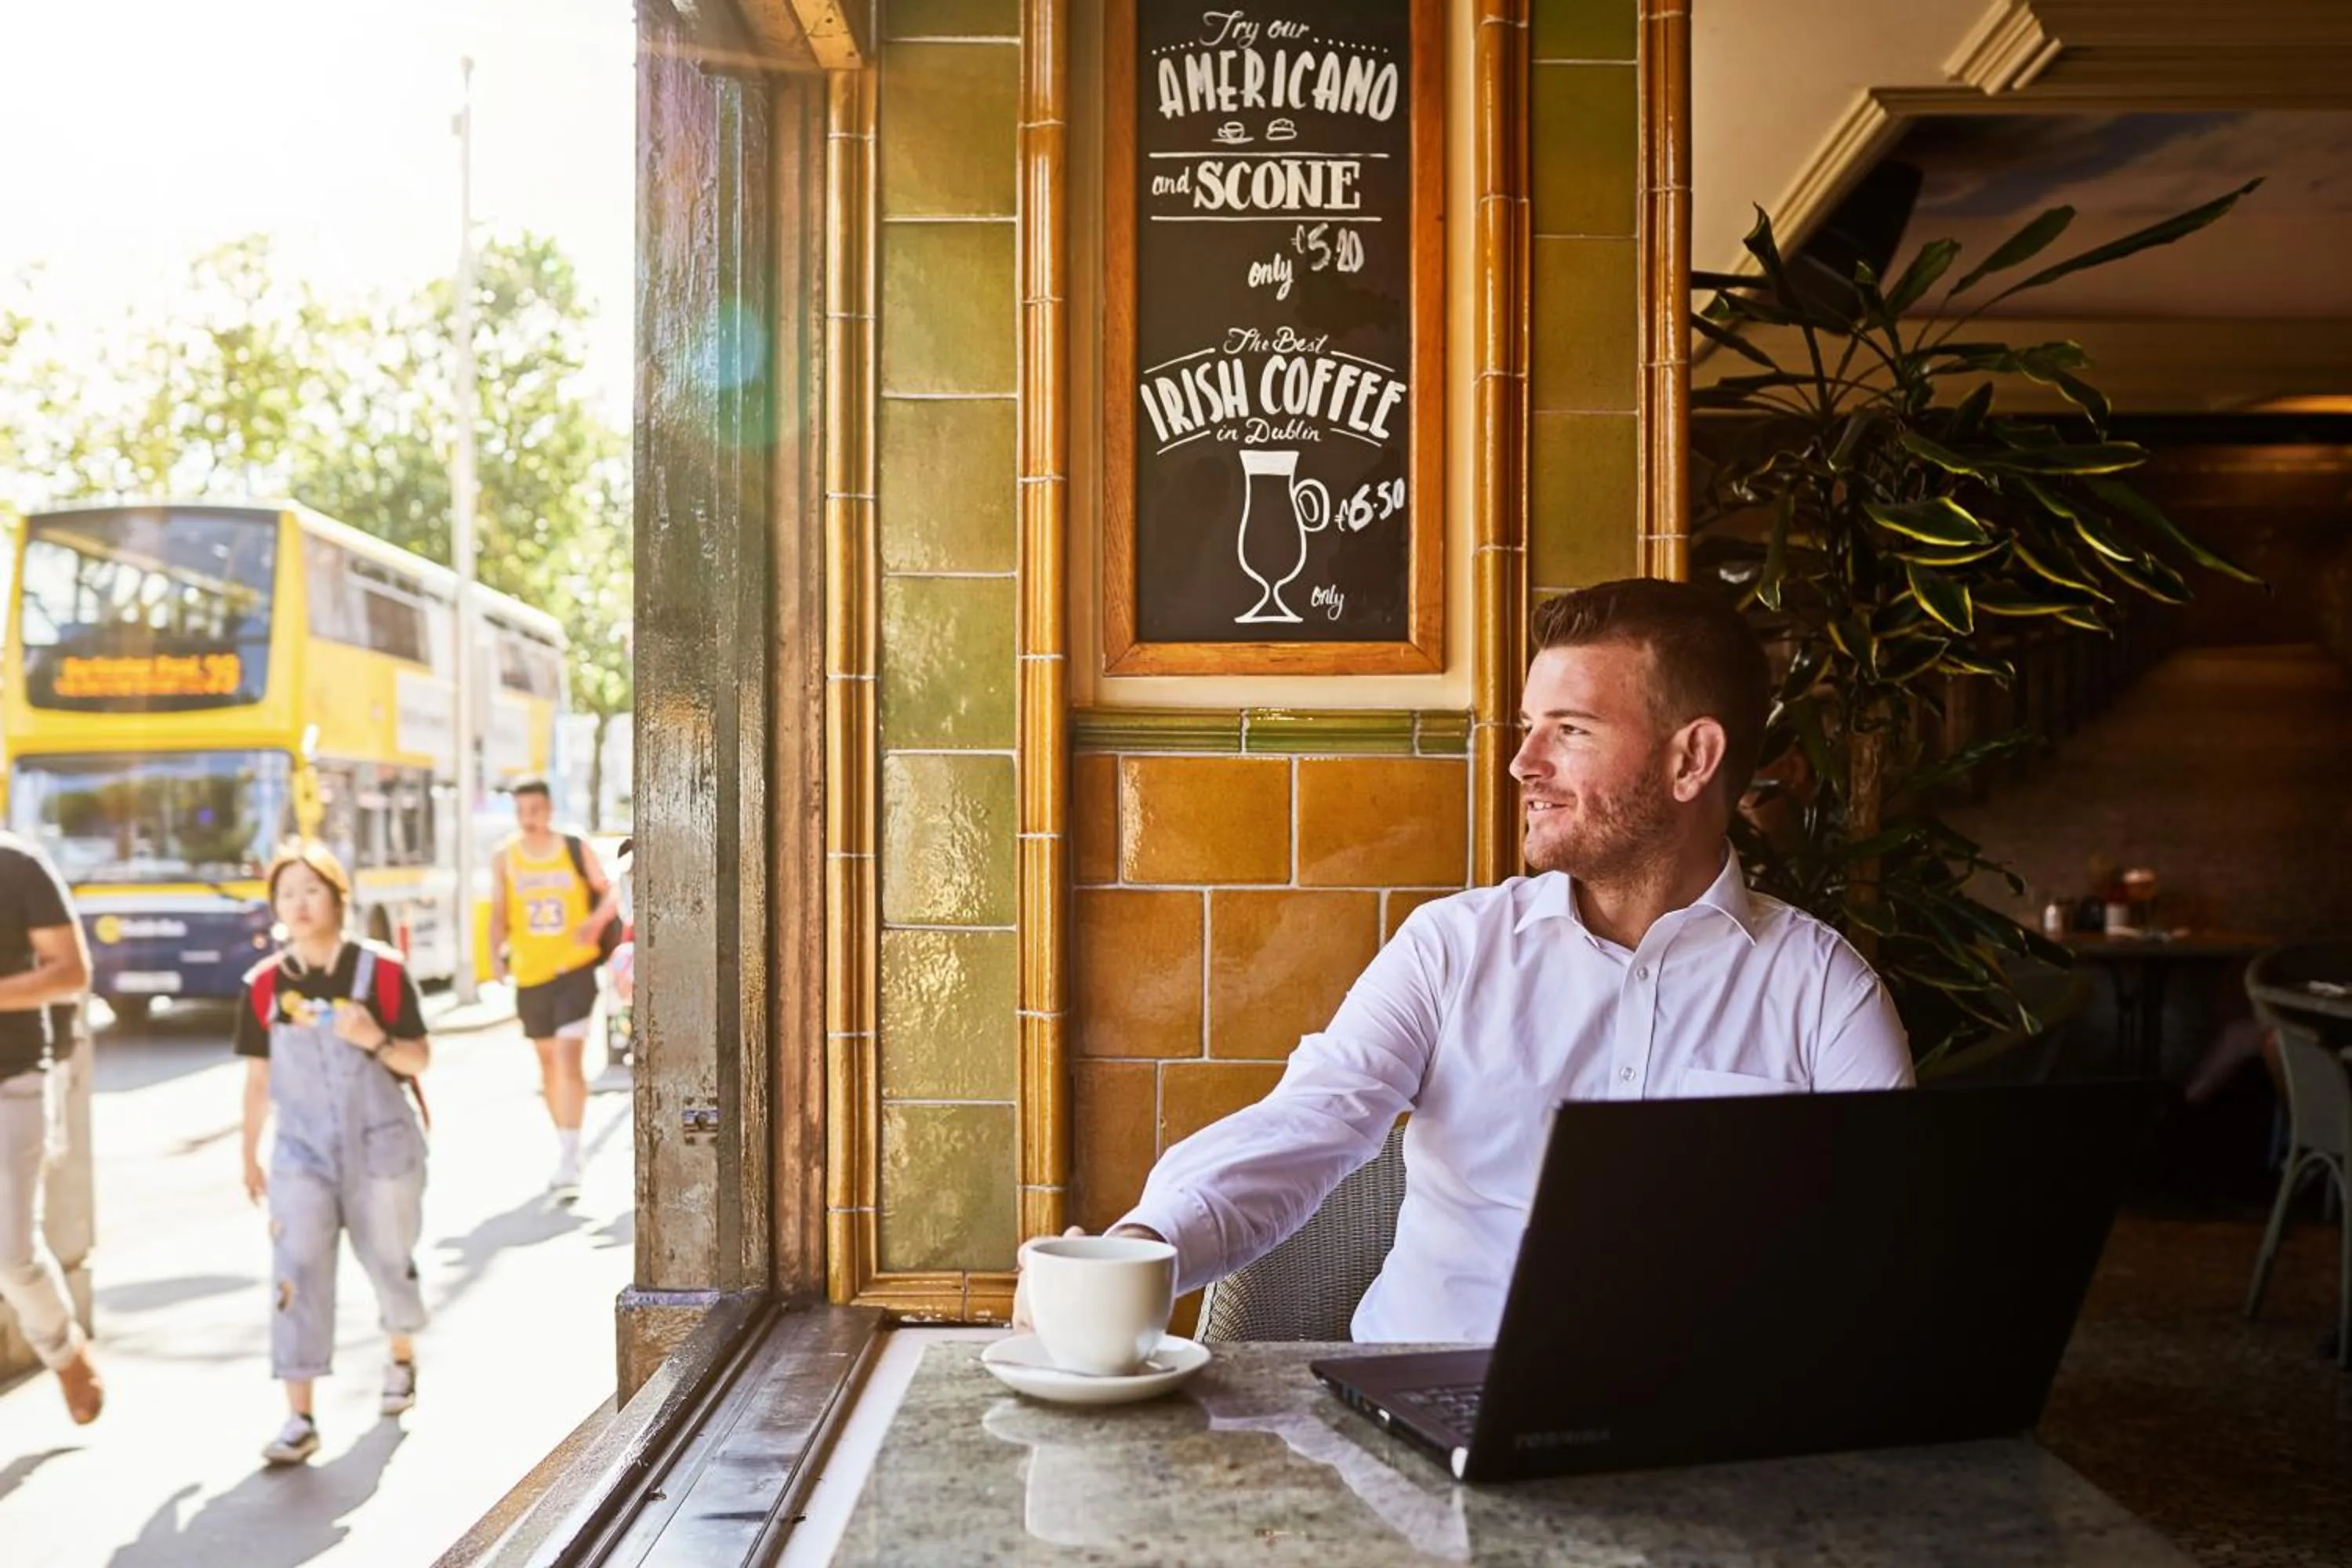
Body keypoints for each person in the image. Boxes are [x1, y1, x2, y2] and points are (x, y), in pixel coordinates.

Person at [1044, 579, 1915, 1343]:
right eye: (1532, 726)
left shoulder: (1823, 993)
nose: (1522, 761)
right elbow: (1311, 1122)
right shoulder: (1451, 947)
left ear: (1692, 757)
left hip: (1690, 1446)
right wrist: (1141, 1248)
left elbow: (1887, 1261)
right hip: (1410, 1431)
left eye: (1568, 729)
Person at [236, 840, 432, 1465]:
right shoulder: (265, 986)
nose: (298, 903)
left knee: (390, 1258)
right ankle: (299, 1417)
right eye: (285, 893)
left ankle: (400, 1359)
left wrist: (374, 1037)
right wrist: (249, 1154)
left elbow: (419, 1058)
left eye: (310, 890)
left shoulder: (382, 972)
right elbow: (259, 1077)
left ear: (338, 898)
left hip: (381, 1144)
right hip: (301, 1153)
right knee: (295, 1273)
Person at [0, 829, 102, 1424]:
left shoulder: (18, 867)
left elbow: (70, 972)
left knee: (11, 1258)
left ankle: (64, 1352)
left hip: (11, 1080)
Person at [487, 779, 620, 1198]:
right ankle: (566, 1140)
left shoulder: (573, 847)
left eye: (536, 809)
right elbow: (498, 910)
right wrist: (493, 956)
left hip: (574, 970)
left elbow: (611, 891)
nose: (529, 819)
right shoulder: (505, 857)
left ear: (549, 809)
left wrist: (594, 924)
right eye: (522, 811)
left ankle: (570, 1151)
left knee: (567, 1058)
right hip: (531, 974)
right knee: (547, 1065)